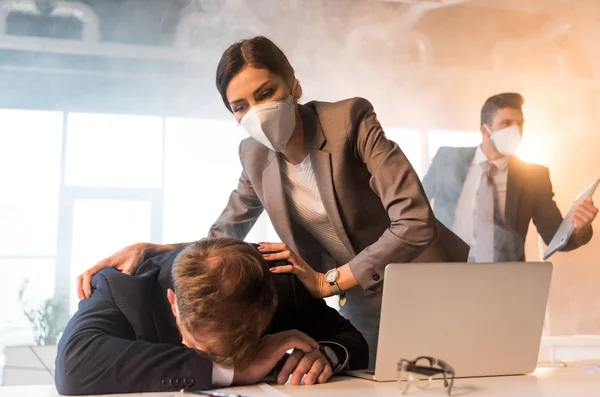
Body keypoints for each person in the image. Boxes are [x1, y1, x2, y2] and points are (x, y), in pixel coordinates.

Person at [76, 36, 468, 366]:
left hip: (427, 282)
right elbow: (220, 237)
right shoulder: (254, 155)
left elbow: (415, 222)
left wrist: (327, 281)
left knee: (463, 378)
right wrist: (152, 249)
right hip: (362, 301)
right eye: (241, 106)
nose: (257, 113)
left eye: (266, 94)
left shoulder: (350, 119)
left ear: (294, 86)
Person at [56, 238, 369, 395]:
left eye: (243, 346)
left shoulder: (281, 279)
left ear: (268, 304)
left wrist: (326, 355)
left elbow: (352, 340)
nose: (229, 358)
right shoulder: (122, 286)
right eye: (202, 347)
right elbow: (73, 367)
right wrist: (234, 371)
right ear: (173, 303)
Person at [422, 93, 598, 262]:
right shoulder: (447, 159)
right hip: (447, 270)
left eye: (519, 124)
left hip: (505, 277)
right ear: (485, 130)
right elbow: (414, 206)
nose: (515, 131)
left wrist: (579, 229)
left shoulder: (534, 177)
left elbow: (554, 236)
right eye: (506, 123)